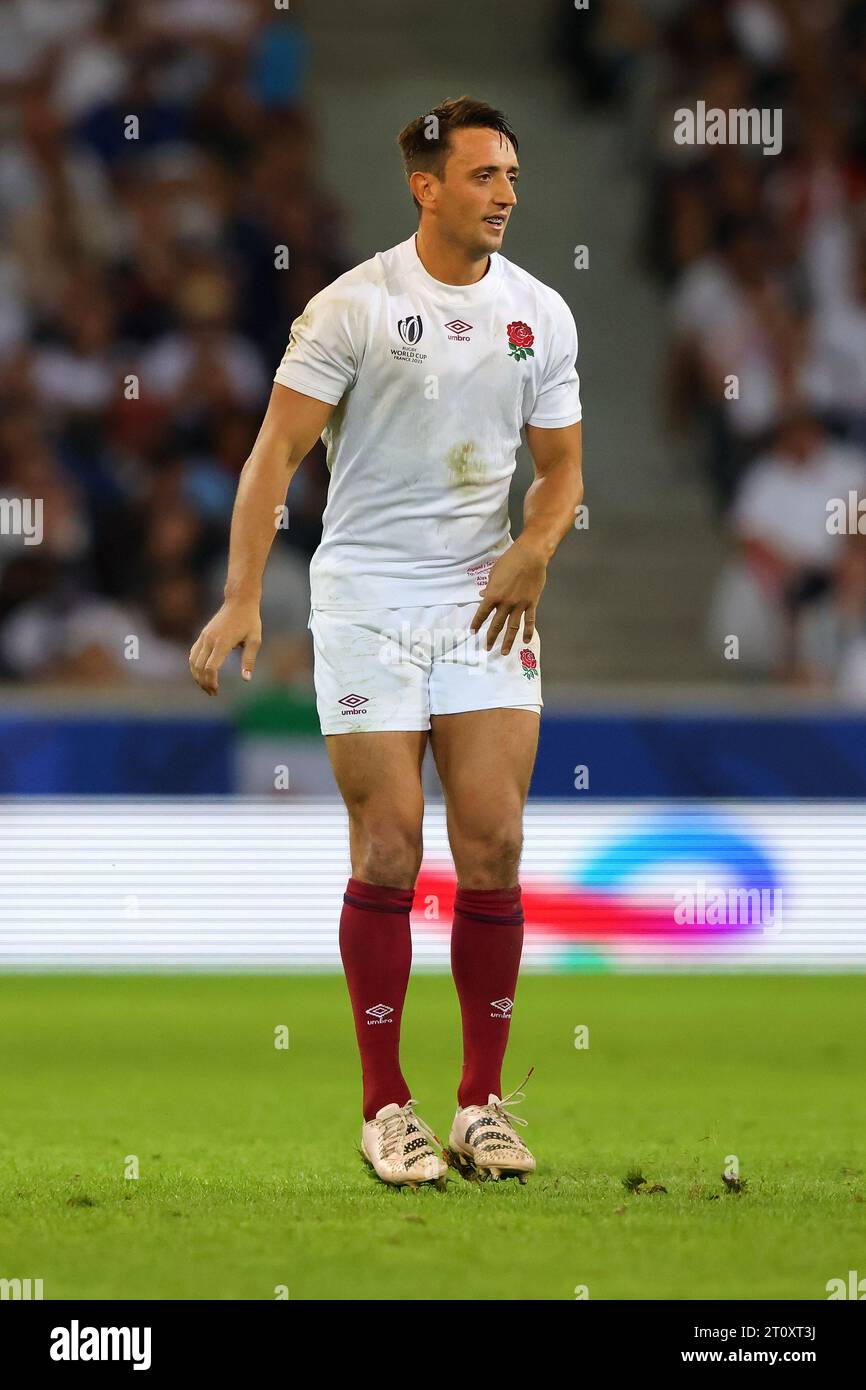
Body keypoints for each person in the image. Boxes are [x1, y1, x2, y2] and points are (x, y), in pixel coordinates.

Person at [188, 96, 584, 1187]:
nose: (504, 192)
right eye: (481, 175)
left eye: (509, 173)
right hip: (366, 597)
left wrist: (534, 549)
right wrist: (239, 597)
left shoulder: (538, 314)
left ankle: (479, 1105)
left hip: (482, 598)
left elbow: (559, 471)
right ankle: (383, 1107)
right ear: (425, 186)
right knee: (391, 848)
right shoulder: (349, 308)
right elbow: (273, 457)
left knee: (494, 841)